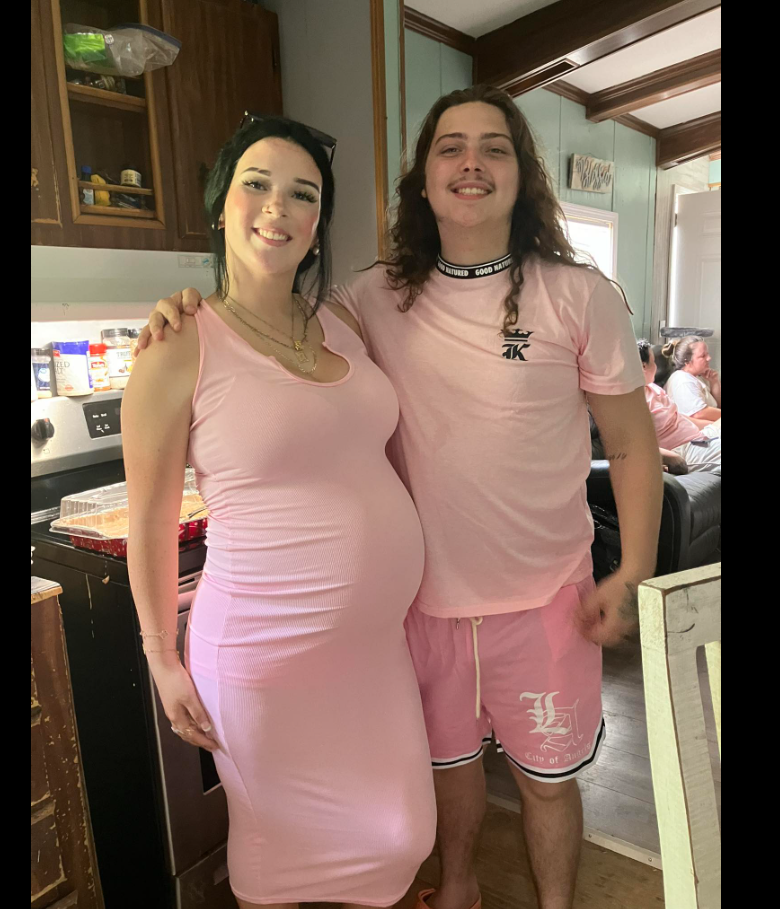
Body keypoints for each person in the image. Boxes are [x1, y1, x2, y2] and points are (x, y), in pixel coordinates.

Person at [137, 86, 663, 909]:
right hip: (418, 613)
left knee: (547, 783)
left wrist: (631, 570)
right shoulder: (368, 300)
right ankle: (458, 890)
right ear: (423, 177)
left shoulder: (578, 293)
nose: (471, 163)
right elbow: (258, 322)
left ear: (522, 174)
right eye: (451, 146)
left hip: (546, 603)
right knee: (445, 779)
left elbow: (632, 443)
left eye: (495, 147)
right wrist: (182, 304)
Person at [122, 115, 436, 909]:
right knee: (275, 852)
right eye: (256, 184)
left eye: (303, 194)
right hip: (262, 657)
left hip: (373, 652)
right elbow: (150, 522)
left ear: (318, 222)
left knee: (402, 834)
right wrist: (162, 658)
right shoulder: (178, 344)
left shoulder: (342, 323)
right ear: (220, 205)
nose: (277, 207)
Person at [638, 340, 721, 476]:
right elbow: (634, 444)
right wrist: (668, 459)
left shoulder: (653, 388)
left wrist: (712, 428)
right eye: (653, 362)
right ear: (643, 366)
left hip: (698, 437)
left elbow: (678, 417)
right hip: (683, 448)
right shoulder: (633, 402)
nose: (709, 358)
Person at [663, 335, 722, 420]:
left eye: (707, 354)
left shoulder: (699, 376)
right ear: (687, 361)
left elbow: (718, 406)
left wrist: (714, 382)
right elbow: (699, 413)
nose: (709, 358)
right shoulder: (683, 380)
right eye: (703, 356)